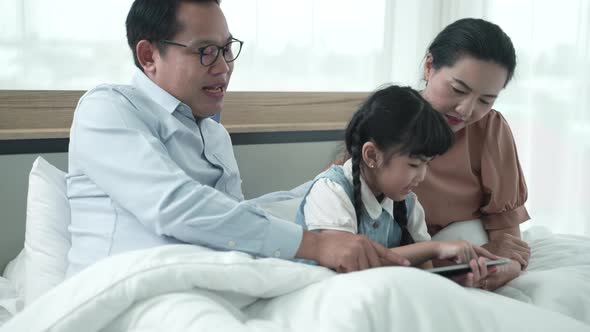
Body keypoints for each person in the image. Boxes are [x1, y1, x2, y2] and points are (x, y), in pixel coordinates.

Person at [65, 0, 409, 277]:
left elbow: (235, 219)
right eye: (205, 52)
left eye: (227, 48)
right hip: (125, 287)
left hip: (207, 282)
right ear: (148, 56)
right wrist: (316, 244)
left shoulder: (214, 134)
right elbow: (176, 206)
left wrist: (338, 180)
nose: (224, 67)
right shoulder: (106, 109)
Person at [296, 85, 500, 287]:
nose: (421, 176)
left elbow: (425, 276)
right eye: (414, 164)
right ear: (372, 155)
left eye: (426, 163)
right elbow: (347, 262)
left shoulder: (408, 203)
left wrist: (454, 282)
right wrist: (434, 248)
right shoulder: (331, 189)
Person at [412, 18, 531, 290]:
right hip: (409, 254)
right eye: (458, 90)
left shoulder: (490, 129)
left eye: (486, 100)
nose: (466, 110)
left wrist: (506, 267)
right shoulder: (387, 120)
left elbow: (507, 238)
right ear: (429, 67)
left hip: (469, 250)